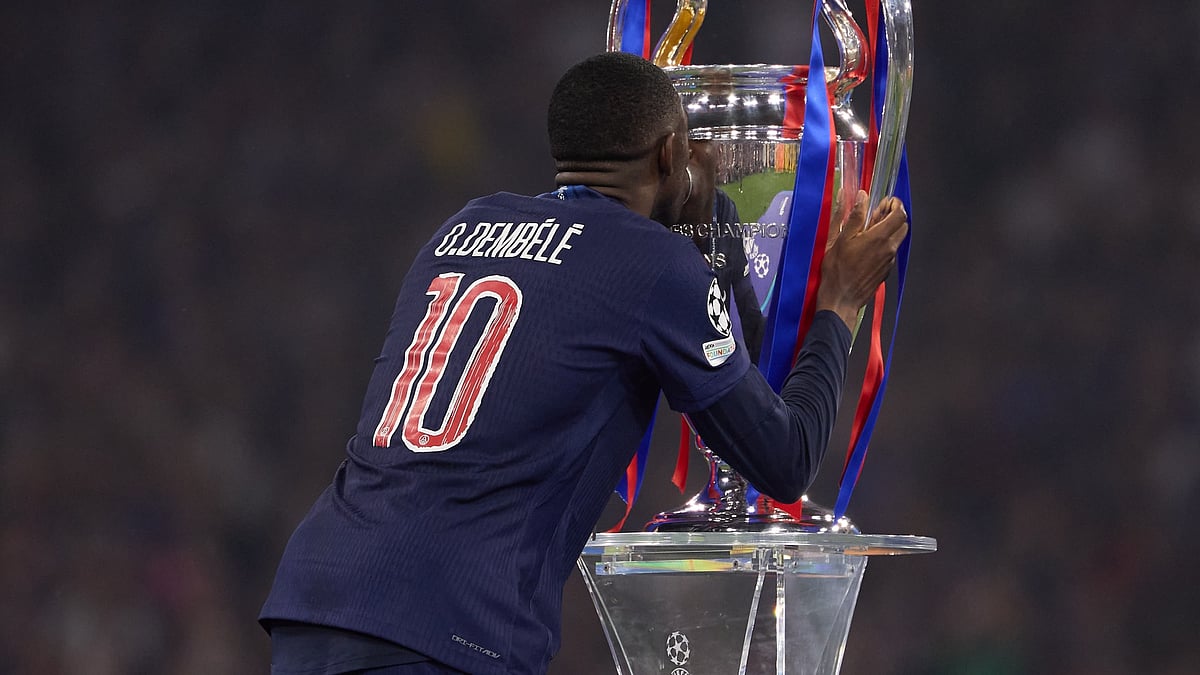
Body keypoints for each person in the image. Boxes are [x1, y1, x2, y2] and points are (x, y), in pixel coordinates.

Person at [259, 52, 908, 675]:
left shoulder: (461, 227)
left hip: (317, 596)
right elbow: (783, 458)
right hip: (447, 620)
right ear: (666, 155)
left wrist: (716, 250)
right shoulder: (651, 266)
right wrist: (840, 304)